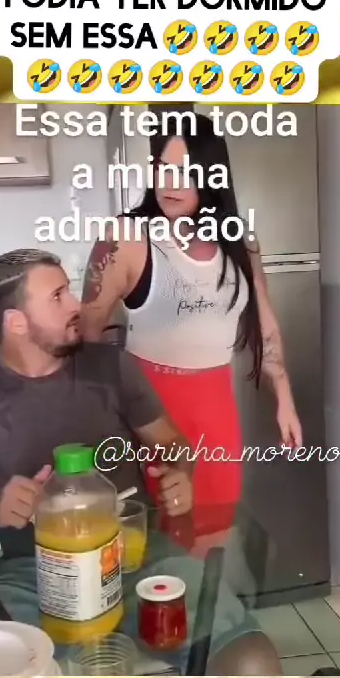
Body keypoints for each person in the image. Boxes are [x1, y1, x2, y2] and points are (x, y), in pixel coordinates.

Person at [0, 248, 282, 676]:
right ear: (16, 322)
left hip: (138, 558)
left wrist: (180, 472)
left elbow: (173, 444)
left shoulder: (111, 366)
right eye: (57, 297)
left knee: (251, 661)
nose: (76, 305)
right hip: (33, 574)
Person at [81, 113, 302, 545]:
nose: (169, 183)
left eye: (184, 172)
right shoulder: (126, 238)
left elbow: (265, 322)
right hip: (150, 415)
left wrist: (285, 399)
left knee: (214, 539)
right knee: (157, 547)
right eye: (163, 169)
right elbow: (87, 335)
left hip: (217, 410)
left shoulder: (240, 241)